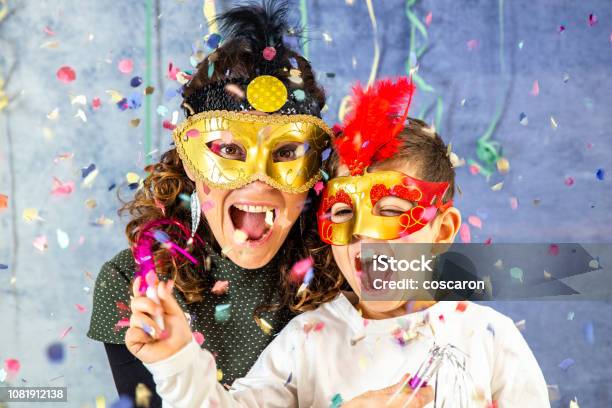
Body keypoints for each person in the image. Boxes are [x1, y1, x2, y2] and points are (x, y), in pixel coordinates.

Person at [124, 77, 551, 407]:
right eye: (344, 212)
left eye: (389, 211)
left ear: (441, 231)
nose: (363, 233)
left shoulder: (489, 339)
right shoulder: (308, 340)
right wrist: (179, 360)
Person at [87, 2, 341, 406]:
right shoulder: (134, 282)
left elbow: (459, 282)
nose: (259, 179)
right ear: (190, 160)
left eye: (288, 151)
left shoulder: (350, 264)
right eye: (227, 149)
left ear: (316, 169)